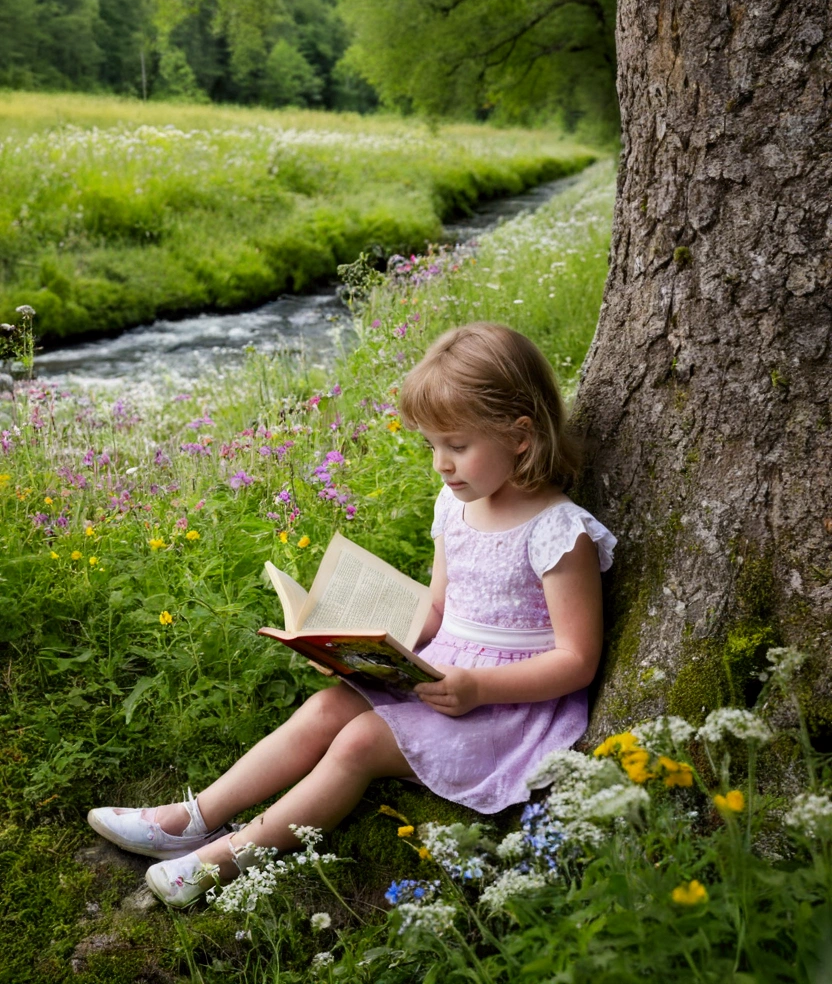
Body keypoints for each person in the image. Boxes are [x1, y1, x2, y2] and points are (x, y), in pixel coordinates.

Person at [87, 323, 616, 907]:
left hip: (508, 710)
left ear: (520, 435)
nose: (441, 464)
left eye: (457, 446)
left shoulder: (557, 531)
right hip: (445, 674)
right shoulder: (455, 504)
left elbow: (577, 659)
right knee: (326, 707)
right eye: (430, 446)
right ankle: (189, 818)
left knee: (361, 739)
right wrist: (350, 653)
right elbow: (437, 610)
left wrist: (478, 687)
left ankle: (227, 859)